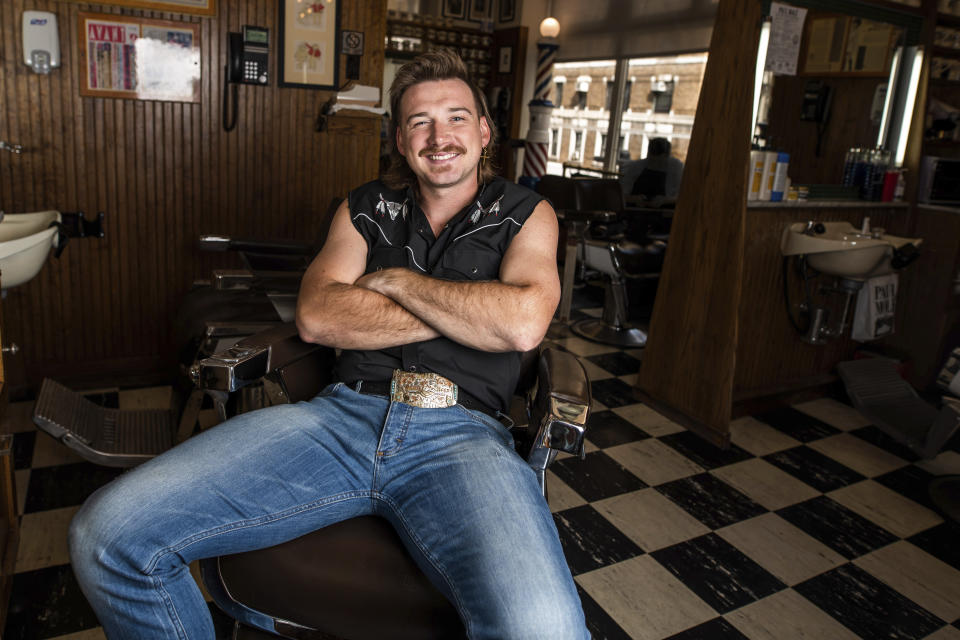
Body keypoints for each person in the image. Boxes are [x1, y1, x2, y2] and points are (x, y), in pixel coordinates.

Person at [68, 50, 589, 640]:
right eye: (420, 121)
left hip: (463, 436)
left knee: (544, 628)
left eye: (456, 117)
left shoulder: (526, 212)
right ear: (400, 137)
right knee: (108, 537)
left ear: (484, 130)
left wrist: (393, 281)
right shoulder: (362, 207)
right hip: (340, 420)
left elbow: (521, 325)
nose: (439, 136)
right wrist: (475, 306)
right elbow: (318, 317)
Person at [619, 136, 684, 202]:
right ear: (648, 154)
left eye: (660, 161)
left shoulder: (676, 167)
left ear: (667, 156)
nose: (656, 164)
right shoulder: (635, 167)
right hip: (636, 210)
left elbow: (682, 197)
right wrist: (635, 198)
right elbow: (621, 195)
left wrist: (665, 200)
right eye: (653, 160)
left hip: (665, 211)